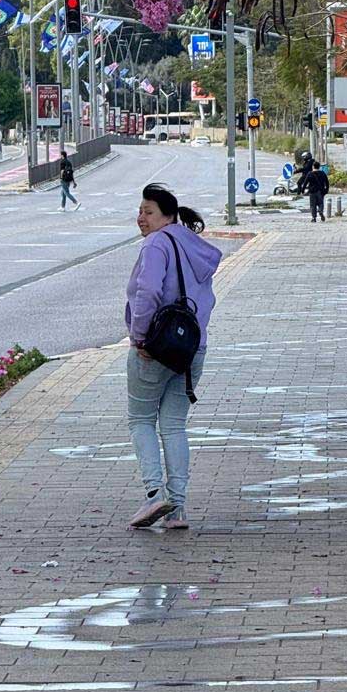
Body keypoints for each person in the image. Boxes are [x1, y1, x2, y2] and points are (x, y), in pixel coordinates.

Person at [125, 182, 221, 531]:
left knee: (140, 420)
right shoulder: (194, 246)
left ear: (167, 216)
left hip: (155, 347)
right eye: (140, 211)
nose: (141, 218)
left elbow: (148, 292)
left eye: (148, 212)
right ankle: (177, 509)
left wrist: (139, 337)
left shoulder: (156, 245)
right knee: (174, 425)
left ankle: (154, 495)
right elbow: (206, 300)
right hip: (192, 348)